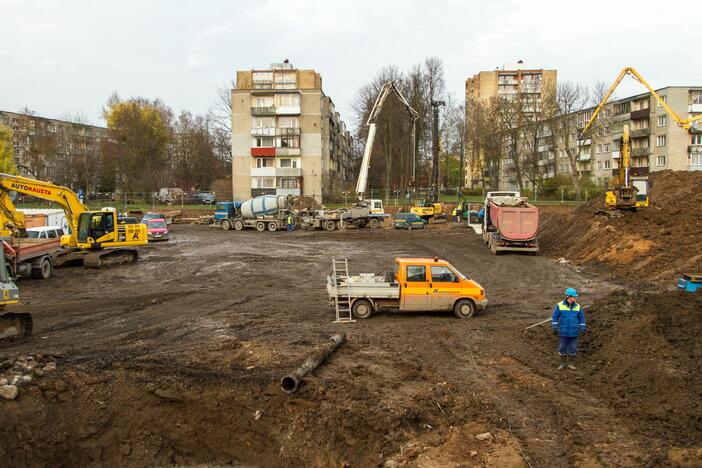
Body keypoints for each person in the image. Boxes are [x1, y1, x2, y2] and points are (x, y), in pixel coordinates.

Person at [551, 288, 586, 370]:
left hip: (574, 332)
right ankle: (563, 364)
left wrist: (583, 327)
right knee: (562, 348)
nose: (575, 298)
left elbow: (581, 318)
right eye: (574, 297)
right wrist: (555, 327)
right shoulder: (559, 305)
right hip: (563, 331)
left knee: (573, 348)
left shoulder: (578, 307)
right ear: (569, 297)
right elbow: (555, 317)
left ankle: (571, 364)